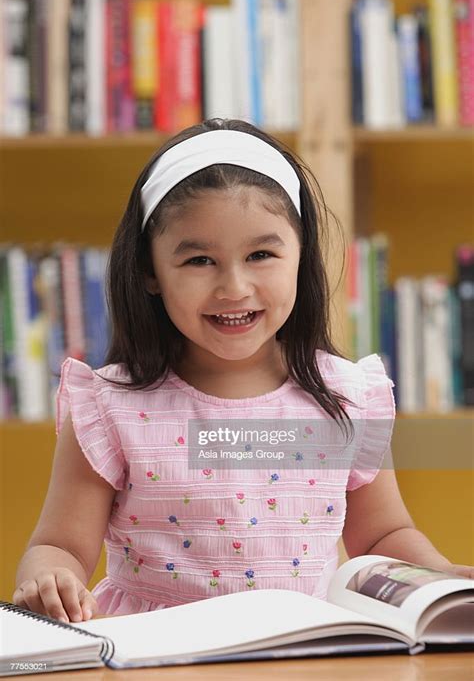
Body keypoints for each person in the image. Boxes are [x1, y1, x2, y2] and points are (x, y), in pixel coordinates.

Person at [13, 118, 473, 624]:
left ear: (301, 257)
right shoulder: (110, 407)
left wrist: (436, 576)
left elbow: (383, 536)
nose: (234, 287)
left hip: (306, 652)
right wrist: (49, 576)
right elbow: (60, 547)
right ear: (149, 270)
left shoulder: (345, 398)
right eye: (199, 261)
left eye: (261, 254)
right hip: (154, 654)